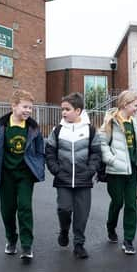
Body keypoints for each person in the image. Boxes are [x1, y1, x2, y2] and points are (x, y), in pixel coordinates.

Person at [0, 89, 45, 262]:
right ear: (14, 106)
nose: (28, 111)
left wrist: (38, 167)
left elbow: (40, 151)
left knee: (25, 207)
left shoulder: (33, 128)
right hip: (6, 175)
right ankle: (11, 240)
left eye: (31, 108)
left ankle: (26, 245)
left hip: (25, 175)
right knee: (8, 209)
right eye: (25, 107)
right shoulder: (1, 126)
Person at [45, 92, 102, 259]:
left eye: (67, 109)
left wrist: (90, 170)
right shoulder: (57, 130)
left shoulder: (90, 130)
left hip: (84, 180)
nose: (63, 112)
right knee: (64, 208)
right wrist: (56, 169)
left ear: (78, 111)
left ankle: (79, 244)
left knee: (82, 214)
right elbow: (49, 152)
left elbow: (96, 153)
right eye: (62, 109)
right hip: (63, 179)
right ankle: (64, 230)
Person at [100, 90, 137, 255]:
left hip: (132, 171)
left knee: (130, 205)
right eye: (135, 105)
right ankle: (111, 226)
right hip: (115, 171)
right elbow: (102, 143)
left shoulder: (135, 122)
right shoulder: (110, 122)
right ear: (125, 104)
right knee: (117, 202)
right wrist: (111, 159)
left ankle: (128, 240)